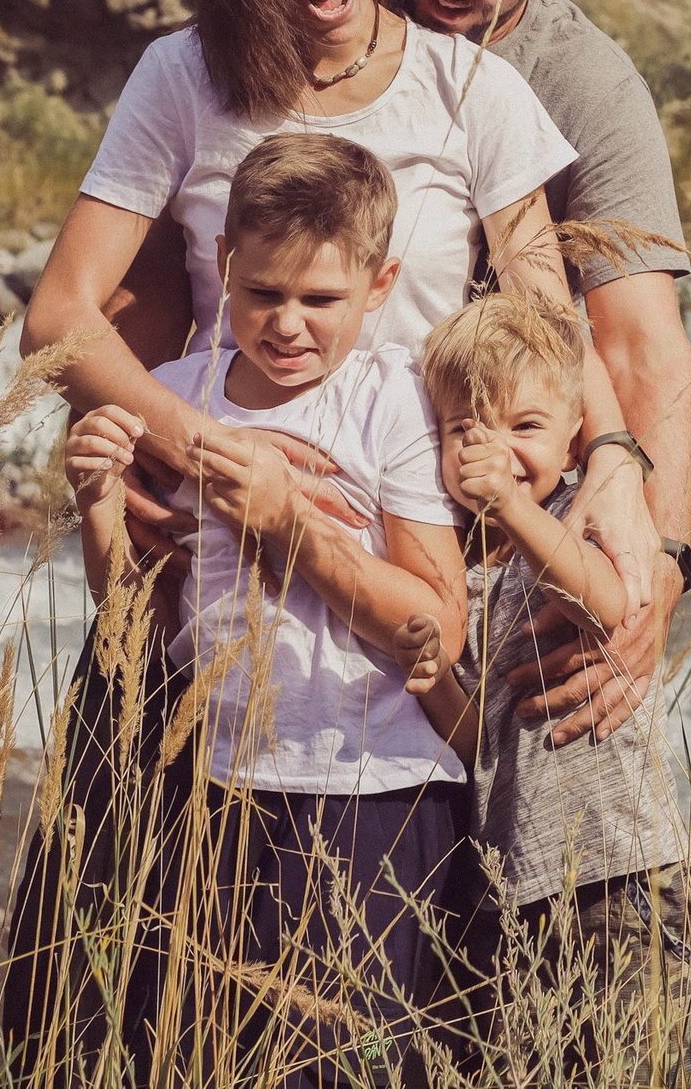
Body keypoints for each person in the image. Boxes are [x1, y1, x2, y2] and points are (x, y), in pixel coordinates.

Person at [19, 0, 662, 596]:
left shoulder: (473, 87)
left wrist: (611, 454)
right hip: (227, 545)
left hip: (420, 545)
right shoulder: (181, 76)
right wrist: (197, 451)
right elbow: (58, 315)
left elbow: (547, 321)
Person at [62, 134, 468, 1086]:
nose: (288, 323)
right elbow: (137, 621)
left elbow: (436, 624)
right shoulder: (174, 399)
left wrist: (291, 529)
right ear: (223, 268)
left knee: (353, 1062)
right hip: (214, 786)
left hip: (372, 791)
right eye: (263, 294)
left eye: (321, 299)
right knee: (221, 1054)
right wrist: (96, 506)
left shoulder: (393, 402)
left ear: (380, 284)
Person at [403, 0, 691, 750]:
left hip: (498, 502)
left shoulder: (588, 87)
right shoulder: (325, 4)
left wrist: (655, 572)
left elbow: (641, 346)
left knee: (589, 673)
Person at [395, 293, 690, 1063]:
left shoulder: (580, 516)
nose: (495, 449)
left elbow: (604, 601)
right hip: (511, 883)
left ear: (573, 441)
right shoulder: (450, 565)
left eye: (524, 427)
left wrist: (514, 509)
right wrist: (432, 679)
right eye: (466, 430)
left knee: (624, 1065)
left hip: (618, 876)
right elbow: (476, 744)